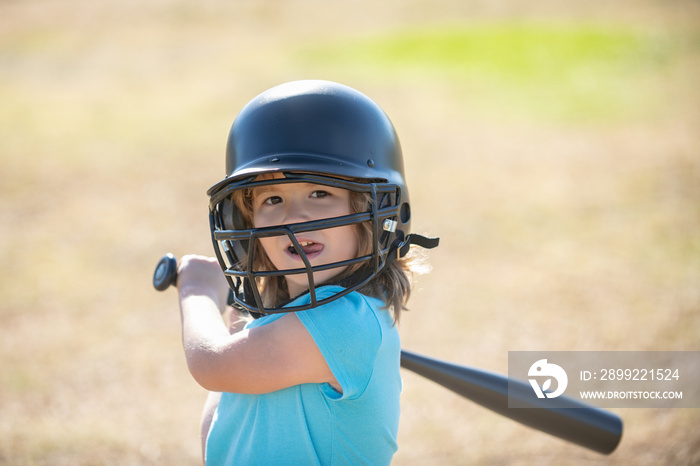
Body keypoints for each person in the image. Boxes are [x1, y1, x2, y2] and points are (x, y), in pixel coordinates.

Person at [176, 80, 438, 465]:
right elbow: (223, 438)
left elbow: (214, 365)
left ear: (373, 211)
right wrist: (242, 324)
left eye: (320, 193)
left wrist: (197, 292)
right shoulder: (282, 331)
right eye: (273, 199)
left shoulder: (347, 323)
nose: (294, 218)